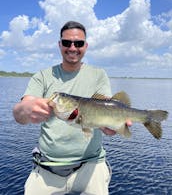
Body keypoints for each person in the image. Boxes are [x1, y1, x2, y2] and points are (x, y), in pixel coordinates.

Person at [13, 21, 131, 195]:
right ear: (60, 45)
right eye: (67, 43)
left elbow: (106, 109)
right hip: (47, 167)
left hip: (92, 164)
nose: (73, 47)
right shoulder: (42, 76)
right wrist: (26, 108)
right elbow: (19, 113)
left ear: (86, 46)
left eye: (79, 43)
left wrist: (111, 127)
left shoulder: (99, 74)